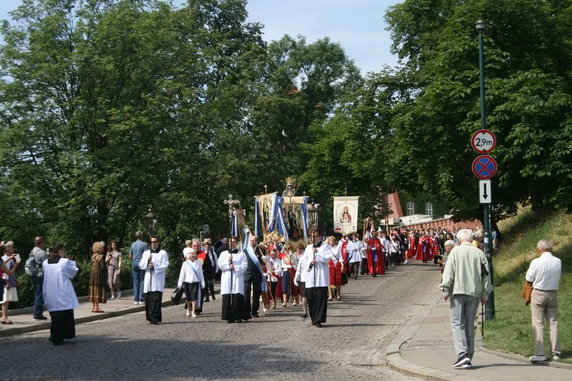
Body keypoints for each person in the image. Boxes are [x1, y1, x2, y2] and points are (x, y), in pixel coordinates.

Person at [439, 228, 491, 369]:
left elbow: (449, 272)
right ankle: (468, 355)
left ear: (459, 239)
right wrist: (485, 293)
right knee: (469, 323)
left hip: (458, 291)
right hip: (474, 292)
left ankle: (462, 354)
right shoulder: (479, 253)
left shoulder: (455, 252)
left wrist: (444, 289)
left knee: (457, 323)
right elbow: (486, 275)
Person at [526, 239, 562, 363]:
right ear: (551, 248)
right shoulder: (558, 261)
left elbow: (529, 277)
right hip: (552, 292)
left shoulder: (536, 262)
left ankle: (540, 353)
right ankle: (556, 351)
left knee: (538, 323)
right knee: (553, 322)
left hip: (539, 292)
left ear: (539, 249)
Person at [42, 243, 79, 345]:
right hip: (62, 291)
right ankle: (58, 336)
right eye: (64, 250)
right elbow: (73, 272)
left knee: (55, 315)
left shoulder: (45, 262)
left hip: (50, 291)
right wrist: (67, 258)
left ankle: (55, 335)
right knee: (63, 315)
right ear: (60, 251)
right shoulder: (64, 262)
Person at [302, 230, 331, 328]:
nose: (315, 238)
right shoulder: (308, 247)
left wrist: (318, 255)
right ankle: (313, 318)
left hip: (321, 277)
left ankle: (319, 319)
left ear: (321, 237)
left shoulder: (325, 246)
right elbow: (304, 261)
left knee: (320, 299)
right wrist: (310, 262)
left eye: (317, 236)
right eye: (313, 236)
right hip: (311, 277)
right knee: (311, 299)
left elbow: (327, 259)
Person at [217, 236, 249, 323]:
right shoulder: (223, 254)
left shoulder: (241, 254)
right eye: (231, 242)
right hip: (227, 278)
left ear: (237, 243)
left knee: (237, 297)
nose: (232, 243)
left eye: (234, 242)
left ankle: (238, 316)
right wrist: (228, 264)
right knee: (227, 297)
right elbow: (220, 265)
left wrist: (235, 267)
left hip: (237, 278)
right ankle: (228, 316)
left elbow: (244, 266)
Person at [139, 236, 169, 324]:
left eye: (155, 242)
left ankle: (155, 317)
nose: (153, 243)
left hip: (157, 279)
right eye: (151, 242)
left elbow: (165, 265)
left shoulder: (163, 253)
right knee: (149, 299)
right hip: (148, 279)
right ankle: (149, 317)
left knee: (156, 299)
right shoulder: (146, 253)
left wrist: (154, 266)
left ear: (158, 243)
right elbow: (141, 265)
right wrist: (147, 261)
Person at [178, 248, 205, 318]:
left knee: (194, 297)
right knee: (188, 298)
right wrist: (180, 283)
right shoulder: (185, 263)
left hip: (195, 282)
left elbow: (200, 273)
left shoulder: (198, 263)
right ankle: (188, 309)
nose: (193, 255)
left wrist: (202, 282)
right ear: (188, 255)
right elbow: (182, 274)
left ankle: (193, 311)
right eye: (191, 253)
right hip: (187, 282)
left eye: (194, 253)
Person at [244, 235, 264, 318]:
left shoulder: (260, 250)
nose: (252, 242)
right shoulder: (245, 251)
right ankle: (246, 311)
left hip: (257, 274)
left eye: (254, 240)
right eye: (251, 240)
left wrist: (264, 260)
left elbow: (263, 262)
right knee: (246, 293)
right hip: (247, 274)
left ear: (257, 241)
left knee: (256, 294)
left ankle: (254, 311)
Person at [29, 236, 49, 320]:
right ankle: (37, 314)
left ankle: (37, 313)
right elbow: (47, 264)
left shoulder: (33, 251)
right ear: (40, 243)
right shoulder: (41, 252)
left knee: (37, 294)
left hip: (34, 275)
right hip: (40, 275)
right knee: (40, 295)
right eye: (43, 242)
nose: (44, 243)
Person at [1, 241, 21, 324]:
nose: (13, 250)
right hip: (7, 281)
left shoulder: (9, 258)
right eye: (12, 248)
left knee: (6, 300)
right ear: (8, 249)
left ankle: (4, 317)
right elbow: (5, 272)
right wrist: (7, 282)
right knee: (5, 300)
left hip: (9, 281)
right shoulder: (6, 258)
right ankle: (4, 317)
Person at [129, 231, 148, 305]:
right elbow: (146, 255)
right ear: (141, 236)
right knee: (142, 280)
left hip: (134, 263)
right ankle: (141, 299)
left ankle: (136, 299)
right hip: (141, 263)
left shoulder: (133, 244)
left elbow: (130, 256)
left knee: (136, 282)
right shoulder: (144, 244)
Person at [89, 241, 107, 313]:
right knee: (97, 291)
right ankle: (97, 307)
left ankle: (93, 307)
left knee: (93, 291)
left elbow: (90, 265)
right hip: (99, 276)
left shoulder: (93, 256)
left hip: (92, 276)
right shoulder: (100, 257)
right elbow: (102, 267)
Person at [326, 236, 343, 301]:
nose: (332, 242)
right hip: (329, 265)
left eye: (333, 240)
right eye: (330, 240)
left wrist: (342, 264)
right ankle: (330, 295)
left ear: (335, 241)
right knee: (329, 281)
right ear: (328, 242)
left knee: (338, 280)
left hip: (337, 265)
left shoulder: (338, 247)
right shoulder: (327, 248)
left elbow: (340, 256)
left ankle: (338, 294)